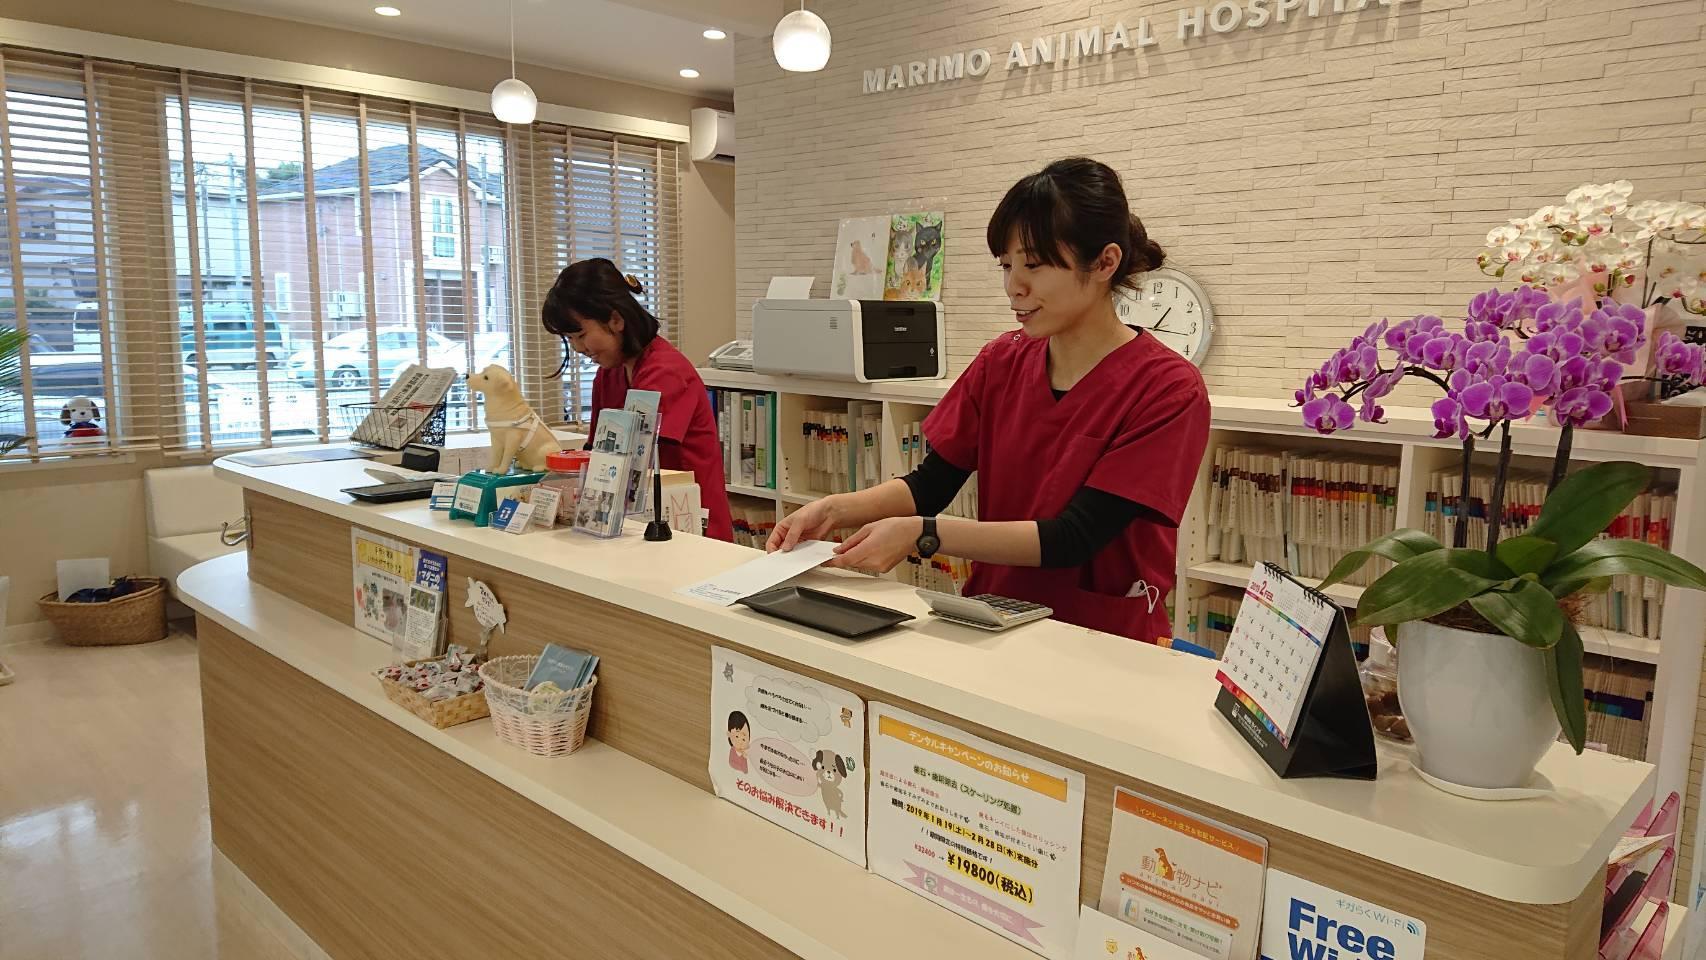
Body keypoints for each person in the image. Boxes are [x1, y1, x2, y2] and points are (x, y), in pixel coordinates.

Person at [768, 158, 1210, 643]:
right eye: (1006, 265)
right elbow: (930, 484)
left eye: (1035, 265)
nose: (1013, 287)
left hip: (1103, 641)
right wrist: (833, 510)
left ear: (1105, 263)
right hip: (988, 621)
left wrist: (923, 533)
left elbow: (1074, 537)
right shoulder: (1002, 361)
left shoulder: (1168, 389)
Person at [541, 258, 734, 541]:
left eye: (581, 335)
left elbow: (635, 462)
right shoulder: (608, 376)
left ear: (616, 320)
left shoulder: (666, 372)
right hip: (636, 527)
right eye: (570, 339)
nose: (579, 348)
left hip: (687, 527)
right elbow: (598, 453)